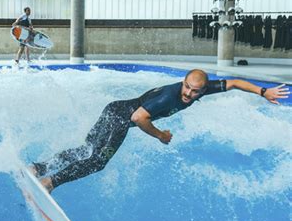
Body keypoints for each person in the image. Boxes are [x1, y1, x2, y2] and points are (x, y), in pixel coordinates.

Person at [30, 69, 290, 193]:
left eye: (195, 90)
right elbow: (139, 117)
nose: (188, 93)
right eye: (187, 87)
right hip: (120, 118)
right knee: (97, 161)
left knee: (85, 150)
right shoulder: (169, 97)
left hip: (113, 109)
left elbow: (233, 83)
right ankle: (49, 182)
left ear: (203, 88)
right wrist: (161, 136)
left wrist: (263, 91)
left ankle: (38, 168)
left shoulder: (203, 88)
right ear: (183, 82)